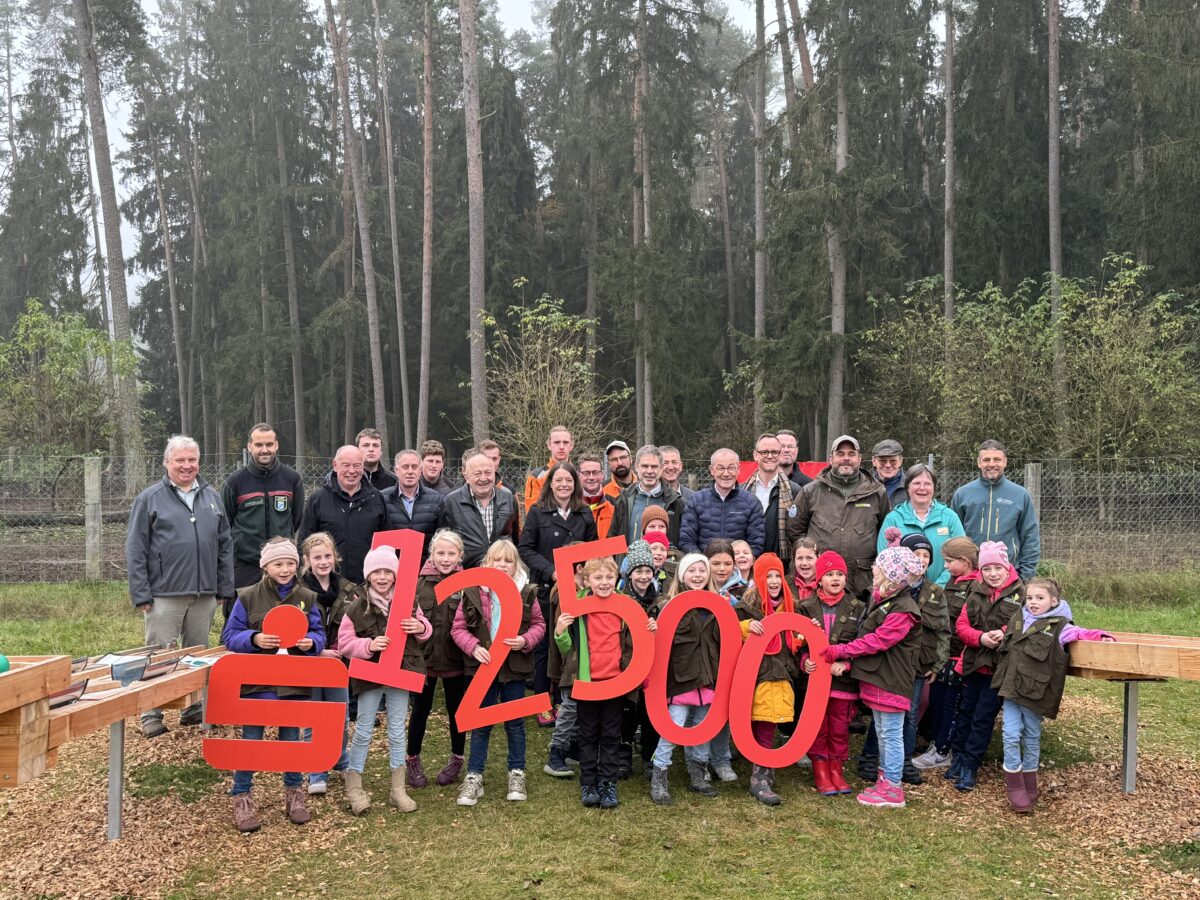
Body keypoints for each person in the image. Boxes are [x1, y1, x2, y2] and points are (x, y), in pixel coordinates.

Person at [126, 435, 233, 738]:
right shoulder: (150, 498)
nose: (187, 466)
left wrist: (224, 587)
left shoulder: (212, 496)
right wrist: (141, 592)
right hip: (164, 594)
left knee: (197, 652)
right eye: (180, 460)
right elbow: (136, 548)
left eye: (192, 460)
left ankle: (192, 707)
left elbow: (225, 545)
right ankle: (151, 712)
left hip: (204, 593)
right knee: (159, 654)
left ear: (199, 462)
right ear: (167, 462)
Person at [222, 537, 324, 831]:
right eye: (278, 563)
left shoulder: (307, 596)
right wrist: (254, 639)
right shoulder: (247, 596)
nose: (285, 569)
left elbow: (319, 634)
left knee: (291, 741)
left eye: (290, 563)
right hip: (258, 685)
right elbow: (230, 636)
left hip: (293, 684)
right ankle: (242, 795)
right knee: (251, 741)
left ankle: (294, 794)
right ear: (265, 566)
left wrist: (310, 643)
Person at [992, 577, 1113, 812]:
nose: (1033, 603)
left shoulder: (1059, 626)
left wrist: (1099, 636)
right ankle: (1014, 787)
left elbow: (1078, 633)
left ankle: (1030, 783)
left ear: (1053, 601)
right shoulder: (1018, 617)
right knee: (1010, 734)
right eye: (1029, 598)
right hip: (1010, 687)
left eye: (1040, 598)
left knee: (1031, 735)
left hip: (1034, 691)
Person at [822, 546, 925, 809]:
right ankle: (885, 780)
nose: (873, 569)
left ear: (891, 574)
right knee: (882, 732)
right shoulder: (883, 600)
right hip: (879, 680)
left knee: (890, 734)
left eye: (878, 566)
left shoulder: (903, 609)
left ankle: (893, 788)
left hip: (890, 681)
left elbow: (878, 641)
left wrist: (842, 651)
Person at [338, 545, 432, 815]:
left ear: (395, 574)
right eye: (376, 572)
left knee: (397, 730)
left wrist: (420, 627)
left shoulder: (407, 601)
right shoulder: (356, 606)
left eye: (387, 571)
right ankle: (354, 786)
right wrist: (368, 646)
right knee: (365, 728)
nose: (382, 577)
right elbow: (344, 643)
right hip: (370, 676)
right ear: (368, 575)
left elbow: (425, 629)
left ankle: (397, 789)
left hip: (401, 672)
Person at [452, 539, 546, 806]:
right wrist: (473, 648)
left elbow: (539, 624)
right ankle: (474, 776)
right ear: (487, 563)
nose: (502, 565)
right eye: (497, 560)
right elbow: (458, 628)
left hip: (514, 669)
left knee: (515, 723)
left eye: (508, 561)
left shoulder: (526, 593)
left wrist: (525, 640)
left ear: (516, 565)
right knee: (481, 722)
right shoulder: (472, 590)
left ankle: (517, 772)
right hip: (482, 669)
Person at [553, 555, 652, 809]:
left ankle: (608, 784)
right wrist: (561, 630)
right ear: (587, 580)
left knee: (610, 735)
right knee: (587, 735)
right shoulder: (577, 606)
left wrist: (650, 627)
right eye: (598, 577)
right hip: (588, 683)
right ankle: (589, 783)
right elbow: (566, 648)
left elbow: (640, 636)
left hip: (616, 683)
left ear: (617, 578)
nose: (605, 582)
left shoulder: (626, 604)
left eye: (609, 577)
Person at [518, 462, 598, 723]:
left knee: (572, 645)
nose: (564, 485)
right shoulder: (537, 512)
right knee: (544, 647)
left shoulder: (584, 513)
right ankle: (542, 702)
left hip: (577, 591)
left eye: (569, 480)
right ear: (549, 483)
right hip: (546, 589)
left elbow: (593, 550)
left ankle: (567, 700)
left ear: (576, 484)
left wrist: (581, 575)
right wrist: (552, 571)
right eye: (558, 480)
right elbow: (525, 548)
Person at [947, 541, 1025, 792]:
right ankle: (958, 756)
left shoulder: (1019, 594)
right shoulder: (976, 592)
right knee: (965, 712)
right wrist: (979, 638)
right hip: (973, 664)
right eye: (987, 568)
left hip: (998, 667)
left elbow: (1022, 622)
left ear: (1007, 568)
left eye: (997, 568)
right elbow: (961, 625)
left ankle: (971, 764)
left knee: (983, 717)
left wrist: (1002, 634)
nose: (993, 574)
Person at [649, 553, 722, 805]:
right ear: (682, 575)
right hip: (680, 679)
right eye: (692, 570)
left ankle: (698, 773)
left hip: (709, 678)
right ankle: (659, 774)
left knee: (703, 729)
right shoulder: (667, 605)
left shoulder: (719, 605)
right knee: (672, 728)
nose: (698, 575)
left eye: (702, 570)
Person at [785, 435, 888, 600]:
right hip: (819, 584)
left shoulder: (877, 492)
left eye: (851, 454)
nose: (846, 458)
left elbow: (885, 534)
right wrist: (812, 559)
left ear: (859, 458)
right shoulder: (811, 491)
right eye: (840, 453)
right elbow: (794, 530)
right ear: (831, 458)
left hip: (862, 584)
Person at [735, 553, 801, 806]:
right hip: (754, 677)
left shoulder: (793, 608)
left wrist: (807, 638)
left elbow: (798, 642)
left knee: (768, 723)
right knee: (756, 723)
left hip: (780, 675)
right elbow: (728, 634)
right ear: (758, 579)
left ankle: (760, 775)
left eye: (777, 576)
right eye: (768, 576)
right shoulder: (745, 609)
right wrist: (745, 628)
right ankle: (759, 773)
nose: (773, 581)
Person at [406, 529, 469, 789]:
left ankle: (457, 759)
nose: (445, 558)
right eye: (440, 553)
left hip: (455, 661)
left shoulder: (468, 584)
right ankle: (412, 759)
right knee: (420, 710)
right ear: (431, 554)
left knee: (458, 713)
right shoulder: (416, 583)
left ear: (460, 556)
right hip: (425, 661)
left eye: (451, 553)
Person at [798, 551, 863, 796]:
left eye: (839, 574)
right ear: (819, 579)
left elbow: (863, 643)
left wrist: (847, 665)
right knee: (818, 725)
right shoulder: (806, 606)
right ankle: (821, 770)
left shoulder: (857, 608)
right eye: (829, 574)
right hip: (815, 681)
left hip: (842, 683)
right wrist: (804, 661)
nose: (835, 579)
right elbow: (797, 643)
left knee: (838, 726)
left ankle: (836, 768)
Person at [913, 537, 980, 771]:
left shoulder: (976, 587)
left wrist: (961, 659)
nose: (945, 566)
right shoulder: (952, 582)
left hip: (961, 658)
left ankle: (944, 750)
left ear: (964, 561)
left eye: (949, 561)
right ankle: (936, 744)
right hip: (945, 654)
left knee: (952, 706)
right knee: (938, 702)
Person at [299, 532, 355, 795]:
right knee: (313, 716)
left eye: (328, 556)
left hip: (339, 663)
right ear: (307, 560)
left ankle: (341, 760)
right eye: (317, 557)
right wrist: (317, 652)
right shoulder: (298, 591)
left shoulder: (348, 589)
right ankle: (315, 770)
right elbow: (293, 630)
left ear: (335, 557)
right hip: (310, 663)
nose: (323, 561)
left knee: (339, 714)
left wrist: (342, 650)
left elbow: (357, 625)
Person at [222, 423, 305, 593]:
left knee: (281, 617)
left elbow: (296, 518)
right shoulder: (235, 481)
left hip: (282, 566)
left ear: (276, 445)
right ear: (250, 446)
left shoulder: (292, 479)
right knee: (243, 617)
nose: (264, 450)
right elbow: (225, 522)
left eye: (269, 444)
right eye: (259, 445)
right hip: (246, 566)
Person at [296, 445, 388, 584]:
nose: (352, 471)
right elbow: (304, 544)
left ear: (363, 466)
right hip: (329, 585)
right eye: (346, 465)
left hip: (367, 584)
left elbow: (386, 544)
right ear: (335, 465)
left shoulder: (376, 498)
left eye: (357, 466)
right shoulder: (318, 499)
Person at [951, 439, 1041, 580]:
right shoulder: (962, 494)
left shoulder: (1020, 495)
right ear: (979, 462)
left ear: (1005, 462)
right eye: (986, 460)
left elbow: (1030, 536)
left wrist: (1026, 575)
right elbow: (954, 537)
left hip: (1009, 572)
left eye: (997, 459)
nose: (992, 464)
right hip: (971, 573)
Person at [877, 464, 966, 586]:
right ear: (907, 487)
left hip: (944, 592)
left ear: (934, 487)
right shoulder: (893, 519)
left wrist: (937, 588)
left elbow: (961, 555)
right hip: (904, 593)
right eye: (916, 483)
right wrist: (907, 587)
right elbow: (885, 560)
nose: (922, 488)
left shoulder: (950, 517)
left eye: (927, 484)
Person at [617, 540, 661, 775]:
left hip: (652, 667)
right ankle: (623, 756)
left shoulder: (659, 601)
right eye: (638, 571)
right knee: (627, 712)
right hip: (627, 663)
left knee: (650, 714)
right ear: (629, 573)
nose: (643, 577)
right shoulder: (620, 600)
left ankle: (649, 755)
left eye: (647, 571)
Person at [439, 450, 520, 568]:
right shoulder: (451, 502)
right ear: (466, 475)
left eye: (488, 473)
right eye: (477, 474)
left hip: (501, 572)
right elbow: (442, 540)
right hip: (467, 573)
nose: (483, 478)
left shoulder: (509, 499)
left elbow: (515, 538)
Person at [679, 448, 766, 556]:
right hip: (705, 568)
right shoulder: (696, 500)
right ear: (711, 470)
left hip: (738, 569)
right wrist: (703, 563)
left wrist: (736, 564)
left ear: (738, 469)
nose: (726, 473)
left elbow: (756, 543)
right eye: (720, 468)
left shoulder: (752, 502)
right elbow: (686, 540)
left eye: (731, 468)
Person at [607, 445, 684, 545]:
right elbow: (613, 536)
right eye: (645, 466)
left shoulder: (675, 502)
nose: (649, 471)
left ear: (661, 468)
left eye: (654, 466)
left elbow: (682, 541)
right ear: (636, 467)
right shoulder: (624, 499)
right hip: (627, 560)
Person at [379, 449, 445, 560]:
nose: (410, 471)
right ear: (396, 470)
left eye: (414, 467)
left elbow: (441, 536)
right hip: (392, 568)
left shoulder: (436, 499)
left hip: (426, 569)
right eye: (405, 467)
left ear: (420, 471)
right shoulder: (382, 498)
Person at [746, 433, 795, 559]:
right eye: (764, 452)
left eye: (774, 452)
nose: (770, 456)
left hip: (781, 565)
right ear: (755, 455)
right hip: (748, 564)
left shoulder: (795, 491)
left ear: (779, 455)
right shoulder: (742, 491)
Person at [523, 426, 574, 511]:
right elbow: (531, 512)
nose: (561, 446)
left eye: (565, 442)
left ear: (571, 445)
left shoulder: (581, 475)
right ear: (549, 445)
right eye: (557, 442)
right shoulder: (536, 477)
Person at [577, 453, 615, 540]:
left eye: (595, 472)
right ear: (579, 475)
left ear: (602, 474)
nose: (591, 477)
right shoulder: (569, 505)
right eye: (586, 473)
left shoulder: (614, 505)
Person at [357, 427, 397, 491]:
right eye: (366, 445)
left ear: (381, 451)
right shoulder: (348, 478)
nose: (371, 449)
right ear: (357, 450)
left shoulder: (394, 481)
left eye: (375, 445)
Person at [871, 439, 907, 509]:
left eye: (893, 461)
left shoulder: (911, 486)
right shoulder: (863, 486)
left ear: (900, 461)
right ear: (874, 461)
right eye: (882, 461)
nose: (888, 465)